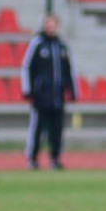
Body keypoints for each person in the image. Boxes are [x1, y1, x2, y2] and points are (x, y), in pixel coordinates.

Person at [21, 13, 77, 171]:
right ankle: (32, 158)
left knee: (57, 129)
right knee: (38, 128)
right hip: (41, 96)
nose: (50, 27)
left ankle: (55, 158)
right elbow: (27, 67)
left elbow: (70, 69)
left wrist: (72, 89)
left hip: (58, 96)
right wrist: (28, 90)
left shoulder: (62, 46)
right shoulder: (37, 44)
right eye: (48, 24)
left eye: (53, 24)